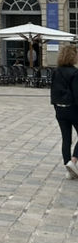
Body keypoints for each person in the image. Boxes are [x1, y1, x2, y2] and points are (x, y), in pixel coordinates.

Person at [50, 43, 78, 178]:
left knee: (66, 139)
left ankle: (68, 168)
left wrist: (56, 106)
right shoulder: (75, 73)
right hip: (73, 109)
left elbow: (53, 91)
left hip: (60, 109)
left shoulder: (56, 71)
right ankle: (73, 161)